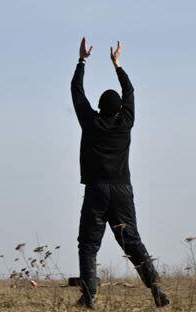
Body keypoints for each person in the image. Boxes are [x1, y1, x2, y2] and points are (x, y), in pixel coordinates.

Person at [71, 37, 170, 309]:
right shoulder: (126, 123)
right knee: (132, 242)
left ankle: (89, 296)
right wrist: (118, 65)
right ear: (120, 110)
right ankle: (157, 289)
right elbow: (130, 92)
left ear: (100, 108)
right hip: (122, 190)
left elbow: (77, 92)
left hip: (96, 190)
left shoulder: (90, 123)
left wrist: (82, 61)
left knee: (89, 244)